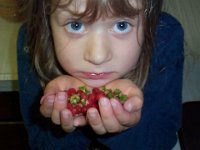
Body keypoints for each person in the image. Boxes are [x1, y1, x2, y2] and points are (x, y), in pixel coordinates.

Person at [17, 0, 184, 149]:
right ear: (46, 16)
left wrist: (122, 128)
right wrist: (71, 117)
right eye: (76, 25)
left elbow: (163, 138)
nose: (98, 56)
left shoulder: (165, 37)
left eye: (121, 25)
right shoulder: (32, 40)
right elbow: (39, 142)